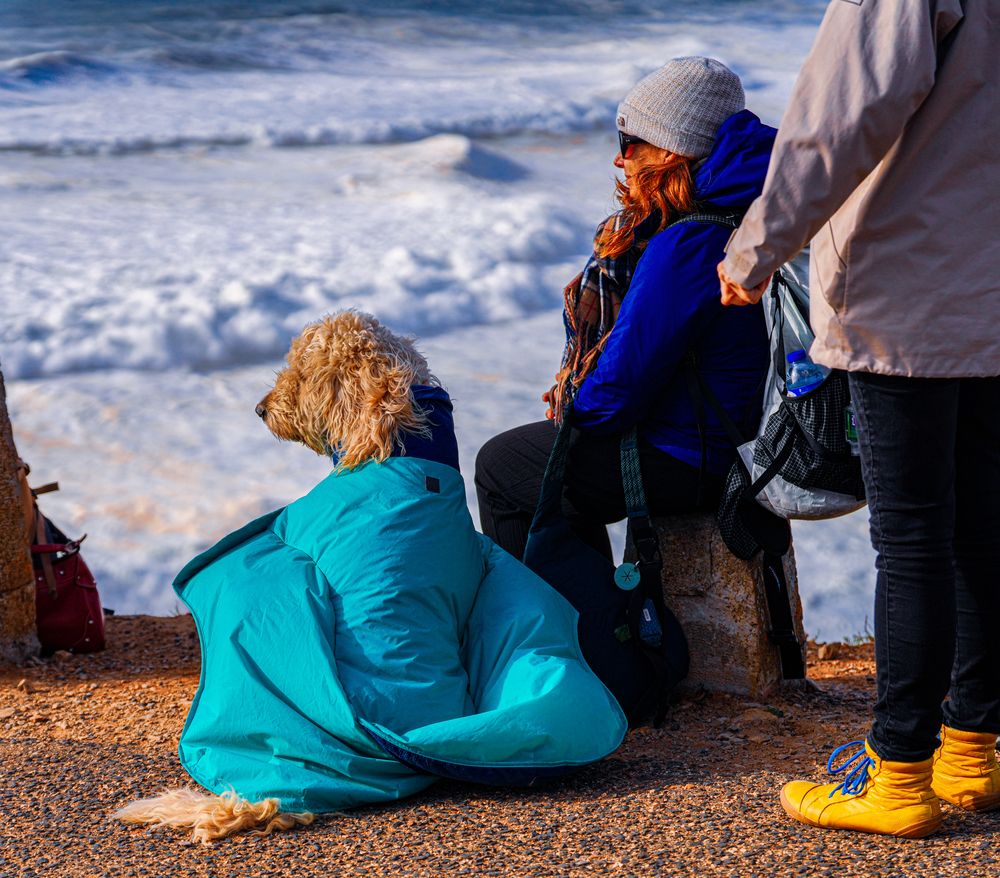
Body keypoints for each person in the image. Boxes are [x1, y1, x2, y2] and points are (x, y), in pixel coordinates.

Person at [718, 0, 1000, 839]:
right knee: (982, 527)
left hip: (908, 290)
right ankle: (972, 752)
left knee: (913, 538)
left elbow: (842, 115)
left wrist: (755, 249)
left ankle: (899, 774)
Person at [475, 57, 774, 566]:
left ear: (671, 151)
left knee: (502, 466)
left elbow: (620, 388)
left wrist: (572, 411)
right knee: (550, 457)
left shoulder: (689, 242)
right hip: (743, 442)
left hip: (693, 457)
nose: (620, 159)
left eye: (630, 143)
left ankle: (574, 616)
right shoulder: (758, 213)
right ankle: (597, 603)